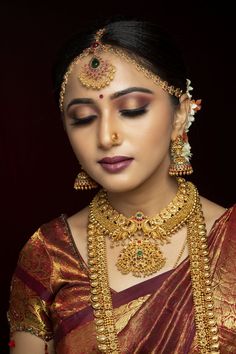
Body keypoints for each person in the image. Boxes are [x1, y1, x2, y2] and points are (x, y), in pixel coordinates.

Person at [7, 19, 236, 354]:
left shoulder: (230, 241)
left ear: (180, 115)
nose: (105, 137)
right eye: (84, 118)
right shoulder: (48, 255)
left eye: (131, 110)